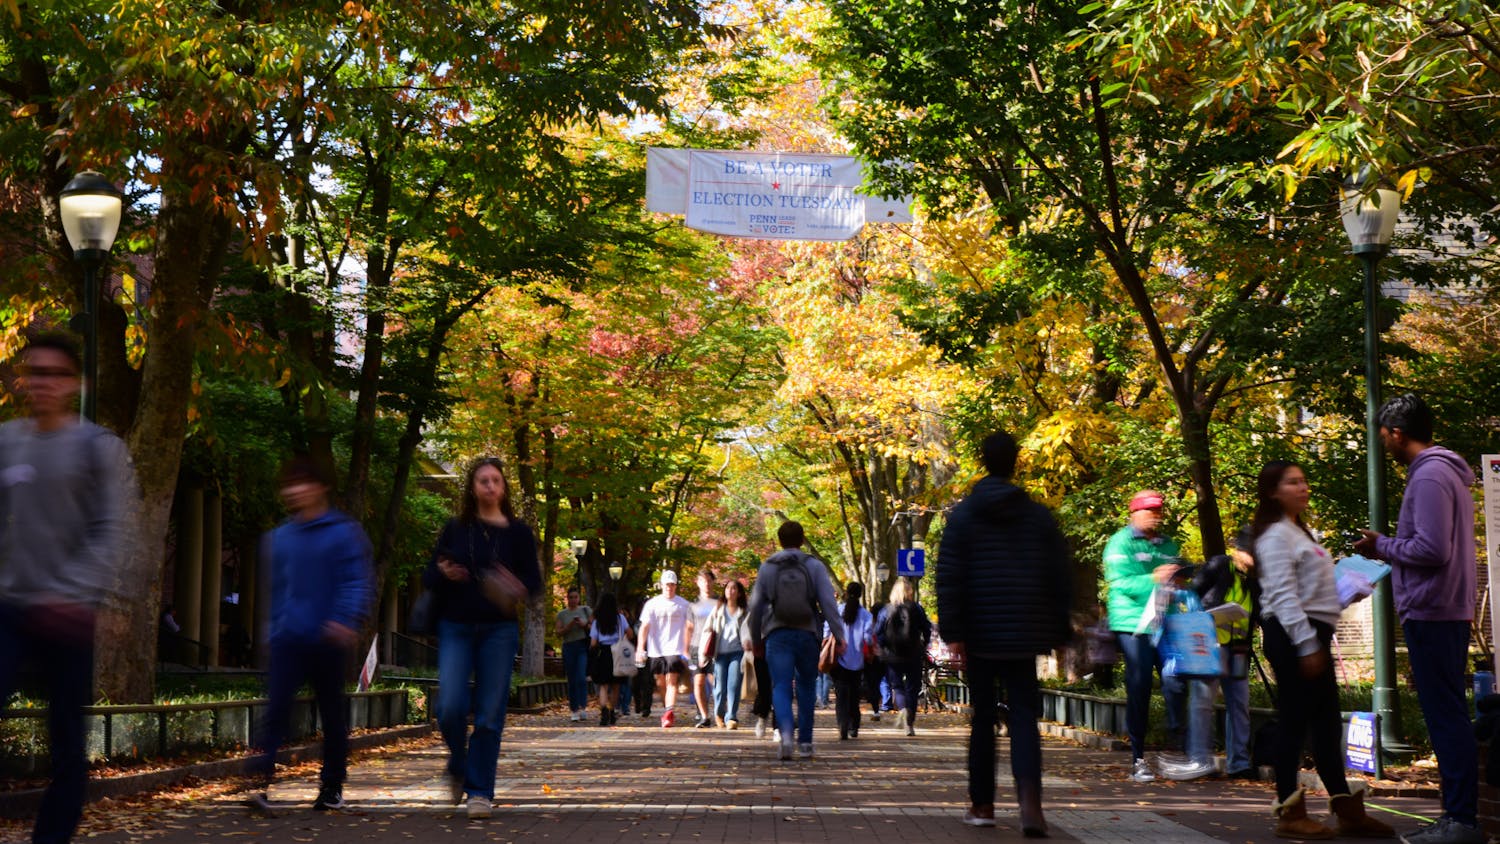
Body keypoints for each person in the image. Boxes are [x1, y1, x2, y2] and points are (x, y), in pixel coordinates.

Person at [0, 332, 132, 844]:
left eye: (55, 375)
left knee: (66, 748)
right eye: (34, 373)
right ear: (20, 380)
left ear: (76, 383)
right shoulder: (7, 441)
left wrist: (74, 589)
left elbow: (111, 530)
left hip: (68, 614)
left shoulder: (98, 448)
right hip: (11, 606)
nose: (43, 384)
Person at [1354, 394, 1482, 844]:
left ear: (1396, 433)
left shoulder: (1428, 477)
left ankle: (1461, 821)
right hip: (1445, 607)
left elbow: (1430, 550)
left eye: (1383, 435)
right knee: (1449, 713)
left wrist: (1380, 545)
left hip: (1432, 609)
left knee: (1445, 716)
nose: (1383, 442)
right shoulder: (1446, 474)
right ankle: (1458, 818)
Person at [938, 430, 1072, 834]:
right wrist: (1059, 626)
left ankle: (982, 806)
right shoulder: (1037, 515)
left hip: (980, 632)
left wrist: (953, 631)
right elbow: (1059, 574)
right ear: (1016, 463)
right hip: (1025, 631)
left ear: (983, 460)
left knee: (982, 719)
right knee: (1025, 718)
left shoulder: (963, 516)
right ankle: (1031, 806)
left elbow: (949, 576)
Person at [1255, 460, 1392, 839]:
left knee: (1327, 725)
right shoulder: (1274, 537)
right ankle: (1289, 812)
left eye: (1304, 481)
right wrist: (1305, 644)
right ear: (1272, 492)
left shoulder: (1302, 533)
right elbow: (1282, 598)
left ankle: (1346, 810)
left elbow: (1311, 593)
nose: (1303, 488)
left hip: (1311, 632)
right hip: (1292, 635)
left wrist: (1348, 592)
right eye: (1292, 483)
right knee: (1295, 723)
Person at [246, 456, 375, 815]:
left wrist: (345, 619)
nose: (296, 491)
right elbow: (276, 589)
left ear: (321, 487)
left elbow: (355, 579)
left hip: (329, 637)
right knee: (276, 709)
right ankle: (260, 782)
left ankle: (332, 787)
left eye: (303, 482)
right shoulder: (279, 538)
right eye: (290, 484)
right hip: (289, 636)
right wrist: (272, 629)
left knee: (332, 715)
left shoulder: (344, 532)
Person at [423, 457, 542, 820]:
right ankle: (458, 761)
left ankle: (479, 792)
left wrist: (515, 586)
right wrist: (444, 572)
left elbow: (534, 585)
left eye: (495, 480)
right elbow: (430, 575)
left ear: (504, 488)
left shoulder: (518, 533)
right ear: (473, 488)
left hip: (499, 631)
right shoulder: (456, 528)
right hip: (456, 625)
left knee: (490, 714)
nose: (490, 486)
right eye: (482, 480)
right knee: (450, 707)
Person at [1162, 528, 1260, 782]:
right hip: (1209, 647)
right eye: (1250, 553)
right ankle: (1199, 760)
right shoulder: (1219, 565)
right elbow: (1190, 596)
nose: (1254, 559)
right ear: (1238, 551)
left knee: (1239, 705)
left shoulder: (1254, 578)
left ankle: (1238, 763)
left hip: (1238, 648)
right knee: (1202, 704)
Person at [1103, 488, 1187, 783]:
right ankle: (1137, 758)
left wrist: (1180, 582)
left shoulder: (1168, 544)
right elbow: (1121, 583)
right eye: (1149, 510)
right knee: (1138, 685)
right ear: (1134, 513)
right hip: (1132, 624)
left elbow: (1176, 581)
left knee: (1176, 682)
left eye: (1158, 511)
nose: (1155, 516)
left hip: (1166, 623)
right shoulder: (1119, 543)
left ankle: (1176, 748)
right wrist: (1154, 578)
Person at [746, 521, 846, 760]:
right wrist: (839, 634)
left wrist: (755, 638)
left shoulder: (768, 567)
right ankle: (806, 743)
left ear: (780, 541)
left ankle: (786, 735)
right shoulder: (814, 565)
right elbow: (828, 603)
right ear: (802, 540)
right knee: (806, 687)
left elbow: (756, 606)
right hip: (807, 632)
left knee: (780, 686)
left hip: (777, 633)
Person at [636, 571, 694, 728]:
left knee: (672, 681)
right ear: (661, 585)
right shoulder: (652, 604)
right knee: (661, 682)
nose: (669, 587)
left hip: (675, 649)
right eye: (667, 584)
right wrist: (640, 648)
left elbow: (690, 627)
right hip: (656, 649)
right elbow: (644, 627)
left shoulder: (684, 604)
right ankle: (667, 709)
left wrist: (687, 648)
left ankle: (669, 711)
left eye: (672, 584)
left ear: (676, 585)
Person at [876, 577, 930, 737]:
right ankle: (909, 724)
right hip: (913, 654)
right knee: (912, 689)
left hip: (893, 656)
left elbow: (878, 633)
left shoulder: (886, 610)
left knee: (897, 687)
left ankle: (904, 710)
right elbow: (927, 629)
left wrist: (881, 648)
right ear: (910, 592)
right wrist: (924, 644)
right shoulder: (917, 609)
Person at [830, 581, 874, 740]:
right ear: (861, 595)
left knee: (841, 693)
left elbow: (828, 631)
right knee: (854, 694)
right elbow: (868, 639)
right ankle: (853, 726)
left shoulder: (838, 610)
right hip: (858, 661)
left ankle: (842, 723)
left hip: (839, 659)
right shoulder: (866, 615)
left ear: (846, 593)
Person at [709, 579, 748, 729]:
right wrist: (703, 654)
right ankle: (719, 713)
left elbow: (748, 631)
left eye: (734, 589)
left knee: (734, 685)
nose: (730, 591)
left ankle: (731, 716)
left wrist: (748, 644)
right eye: (728, 588)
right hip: (720, 654)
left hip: (737, 653)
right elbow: (708, 631)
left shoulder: (744, 611)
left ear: (738, 593)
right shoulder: (718, 609)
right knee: (720, 688)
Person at [588, 592, 631, 726]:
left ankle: (604, 712)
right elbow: (630, 633)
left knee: (603, 685)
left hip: (603, 653)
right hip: (617, 652)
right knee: (616, 685)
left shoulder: (597, 622)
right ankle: (612, 712)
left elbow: (593, 643)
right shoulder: (620, 619)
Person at [555, 586, 592, 722]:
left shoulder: (585, 610)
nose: (573, 600)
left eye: (575, 597)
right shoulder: (562, 614)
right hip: (569, 647)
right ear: (567, 598)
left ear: (579, 598)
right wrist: (569, 626)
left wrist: (583, 624)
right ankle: (574, 709)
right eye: (571, 597)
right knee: (571, 679)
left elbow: (593, 627)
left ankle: (583, 707)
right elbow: (558, 632)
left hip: (582, 645)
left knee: (581, 677)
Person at [689, 568, 719, 728]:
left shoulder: (721, 602)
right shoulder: (693, 604)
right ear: (698, 583)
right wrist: (684, 650)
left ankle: (720, 712)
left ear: (713, 582)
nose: (706, 583)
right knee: (698, 682)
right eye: (703, 580)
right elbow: (688, 628)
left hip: (715, 647)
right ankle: (704, 716)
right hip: (696, 647)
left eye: (709, 580)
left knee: (717, 682)